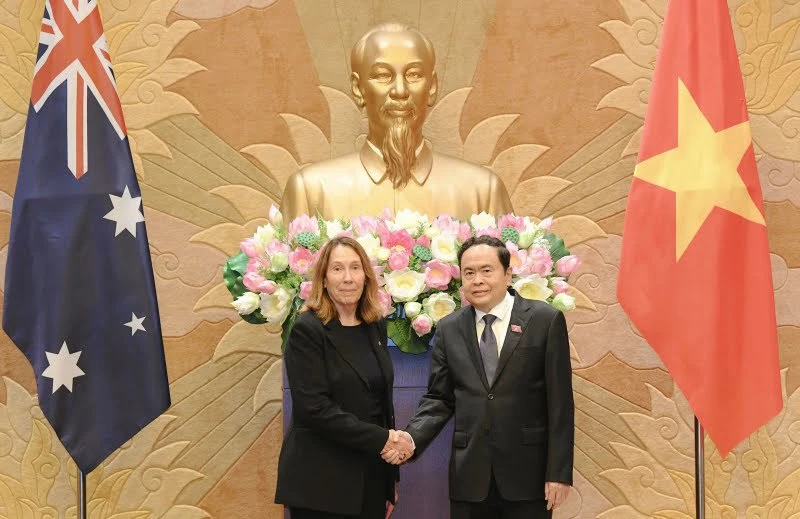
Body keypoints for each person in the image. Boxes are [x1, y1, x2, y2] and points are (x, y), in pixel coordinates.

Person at [392, 236, 574, 518]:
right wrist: (411, 439)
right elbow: (439, 398)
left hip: (529, 477)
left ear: (508, 274)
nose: (477, 280)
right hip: (470, 478)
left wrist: (559, 473)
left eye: (487, 271)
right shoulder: (450, 328)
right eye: (469, 273)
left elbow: (561, 403)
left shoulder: (544, 320)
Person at [279, 22, 513, 221]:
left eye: (413, 75)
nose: (400, 91)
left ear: (431, 87)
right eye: (383, 75)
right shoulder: (310, 192)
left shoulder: (482, 193)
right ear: (358, 88)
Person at [275, 236, 414, 518]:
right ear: (324, 279)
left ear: (367, 276)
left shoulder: (374, 325)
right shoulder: (307, 329)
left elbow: (381, 405)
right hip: (323, 484)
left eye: (355, 268)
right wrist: (383, 439)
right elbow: (314, 409)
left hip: (371, 478)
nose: (348, 278)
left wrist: (389, 481)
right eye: (337, 269)